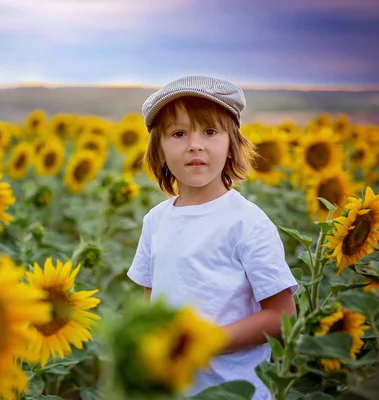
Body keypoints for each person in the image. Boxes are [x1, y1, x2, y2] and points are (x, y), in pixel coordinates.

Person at [127, 76, 298, 399]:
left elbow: (282, 316)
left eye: (209, 132)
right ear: (159, 151)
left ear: (232, 146)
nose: (195, 144)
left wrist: (203, 342)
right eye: (178, 133)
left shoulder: (247, 222)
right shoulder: (156, 220)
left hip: (232, 390)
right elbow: (151, 300)